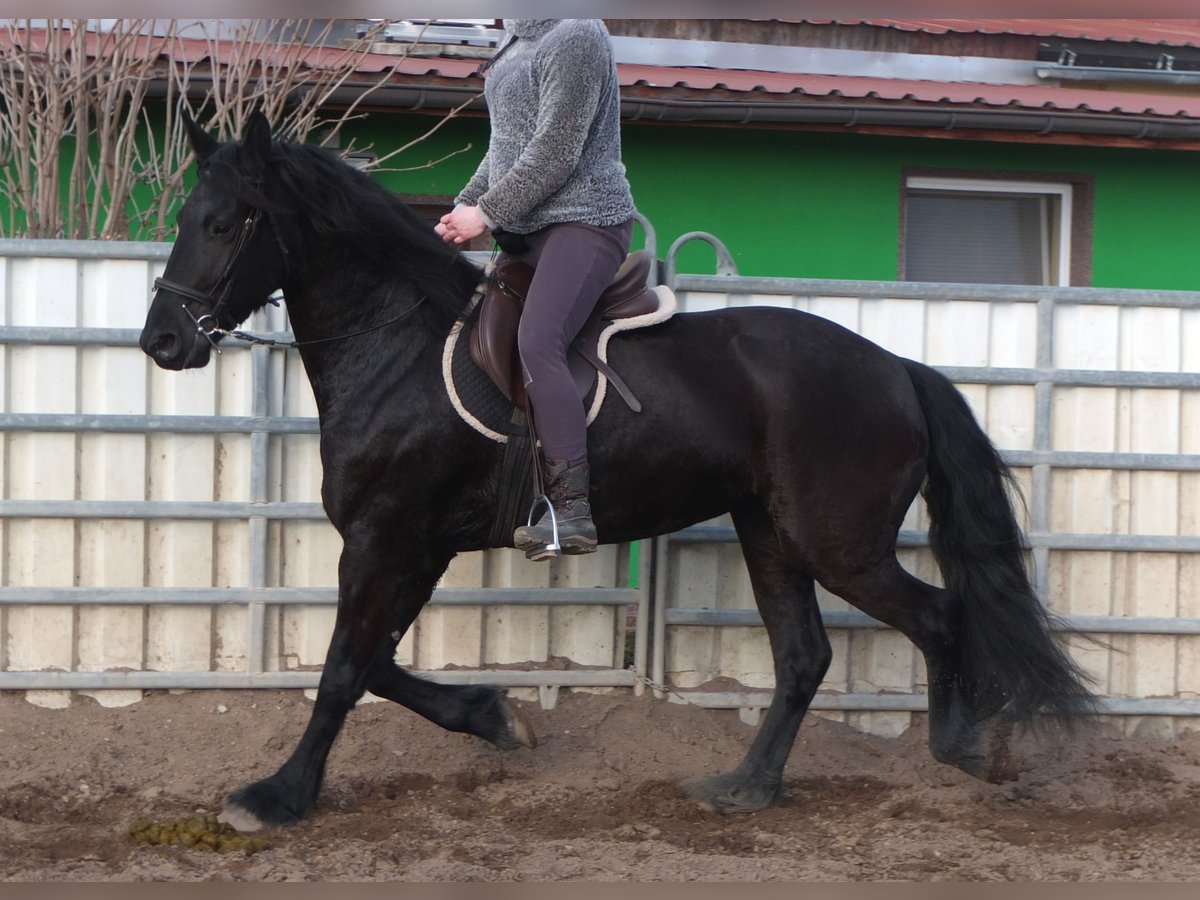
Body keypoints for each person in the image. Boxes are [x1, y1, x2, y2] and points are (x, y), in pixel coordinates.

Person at [436, 19, 637, 560]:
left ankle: (572, 511)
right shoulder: (516, 44)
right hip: (524, 229)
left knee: (538, 340)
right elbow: (505, 147)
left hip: (585, 219)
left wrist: (487, 212)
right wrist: (465, 206)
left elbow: (556, 148)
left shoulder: (576, 33)